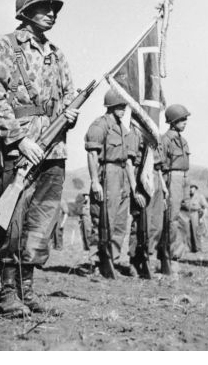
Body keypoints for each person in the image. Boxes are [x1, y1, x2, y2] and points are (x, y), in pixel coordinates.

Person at [0, 0, 78, 316]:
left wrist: (70, 113)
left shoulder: (57, 53)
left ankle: (27, 289)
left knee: (42, 220)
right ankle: (8, 292)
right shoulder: (5, 47)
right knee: (13, 218)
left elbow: (67, 94)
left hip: (54, 149)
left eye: (54, 8)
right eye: (44, 7)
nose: (51, 13)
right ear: (25, 11)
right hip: (20, 148)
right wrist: (20, 140)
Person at [85, 89, 144, 275]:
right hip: (107, 172)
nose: (124, 110)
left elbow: (128, 160)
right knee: (102, 220)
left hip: (123, 175)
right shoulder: (100, 125)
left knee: (119, 222)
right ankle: (96, 262)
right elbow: (92, 154)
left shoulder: (123, 129)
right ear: (110, 106)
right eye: (120, 106)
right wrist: (95, 181)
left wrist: (134, 186)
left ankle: (112, 260)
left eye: (124, 106)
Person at [127, 132, 168, 276]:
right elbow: (129, 163)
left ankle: (148, 257)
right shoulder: (136, 135)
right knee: (140, 223)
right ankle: (134, 260)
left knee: (156, 224)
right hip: (141, 177)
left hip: (155, 177)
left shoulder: (157, 136)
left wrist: (163, 186)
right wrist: (135, 190)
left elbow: (158, 166)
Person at [160, 104, 191, 262]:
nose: (185, 122)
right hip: (172, 177)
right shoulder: (166, 140)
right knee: (172, 217)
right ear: (173, 121)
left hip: (184, 177)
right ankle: (169, 254)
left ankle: (178, 253)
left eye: (185, 119)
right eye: (182, 119)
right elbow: (161, 165)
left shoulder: (183, 140)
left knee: (184, 216)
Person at [186, 182, 207, 253]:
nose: (191, 189)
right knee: (189, 233)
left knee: (196, 233)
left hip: (196, 215)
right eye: (190, 188)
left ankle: (199, 248)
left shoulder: (200, 196)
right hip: (188, 215)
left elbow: (205, 207)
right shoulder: (187, 197)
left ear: (195, 189)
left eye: (192, 188)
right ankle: (192, 248)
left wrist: (201, 217)